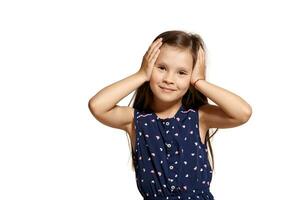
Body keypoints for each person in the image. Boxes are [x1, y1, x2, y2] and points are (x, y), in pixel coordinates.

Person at [88, 30, 252, 200]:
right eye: (161, 68)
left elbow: (242, 113)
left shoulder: (199, 117)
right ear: (150, 66)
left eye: (181, 72)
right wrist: (141, 74)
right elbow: (97, 106)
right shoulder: (135, 121)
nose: (169, 79)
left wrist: (199, 82)